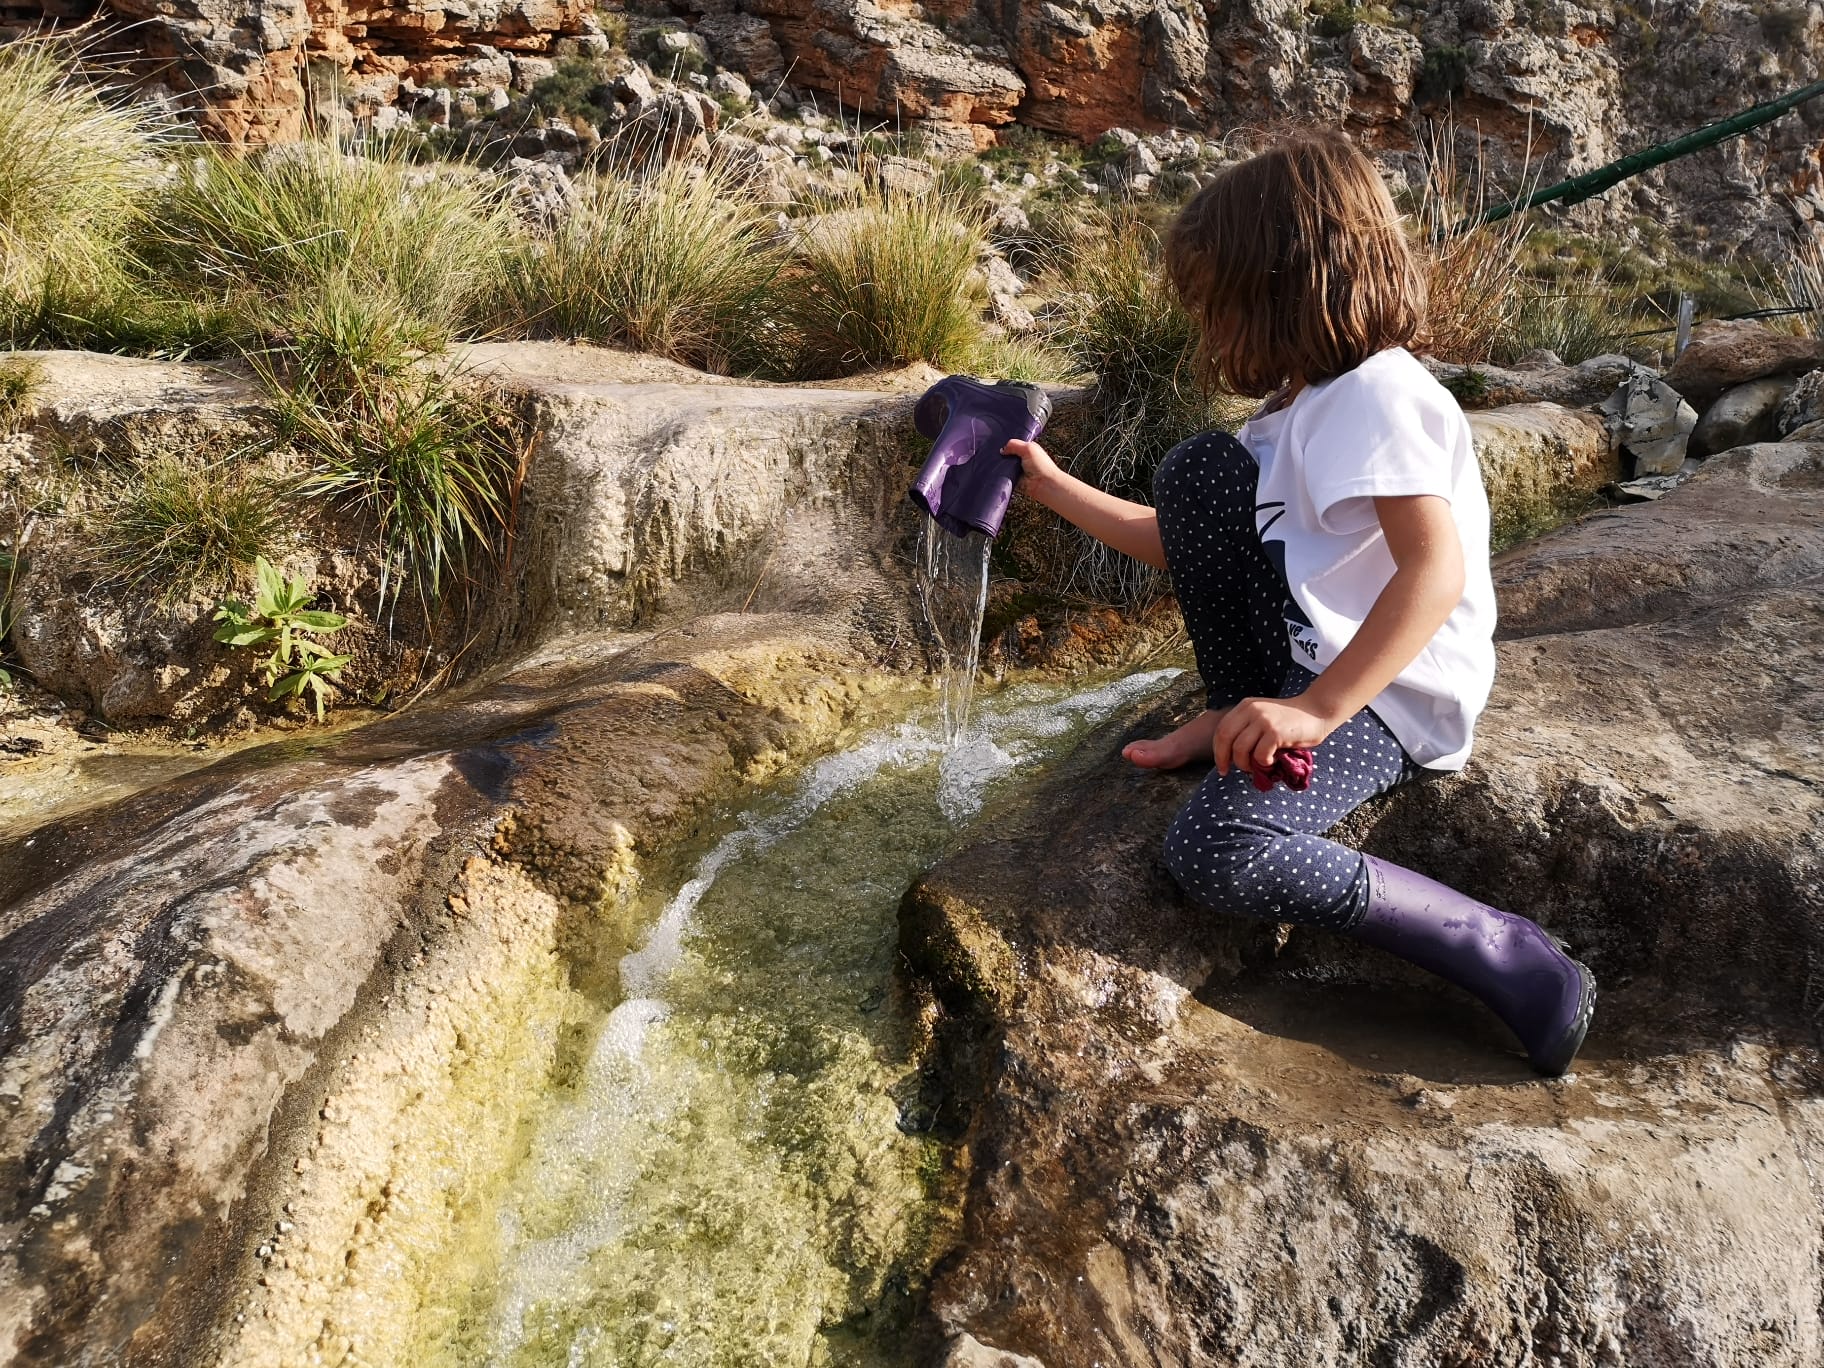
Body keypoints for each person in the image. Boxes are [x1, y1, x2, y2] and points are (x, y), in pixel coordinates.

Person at [1001, 128, 1595, 1076]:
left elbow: (1434, 572)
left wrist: (1318, 709)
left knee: (1219, 847)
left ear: (1285, 285)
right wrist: (1053, 487)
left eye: (1218, 307)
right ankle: (1230, 711)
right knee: (1199, 473)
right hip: (1309, 664)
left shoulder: (1379, 393)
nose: (1209, 334)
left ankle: (1508, 953)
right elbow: (1181, 539)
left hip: (1390, 693)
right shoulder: (1297, 411)